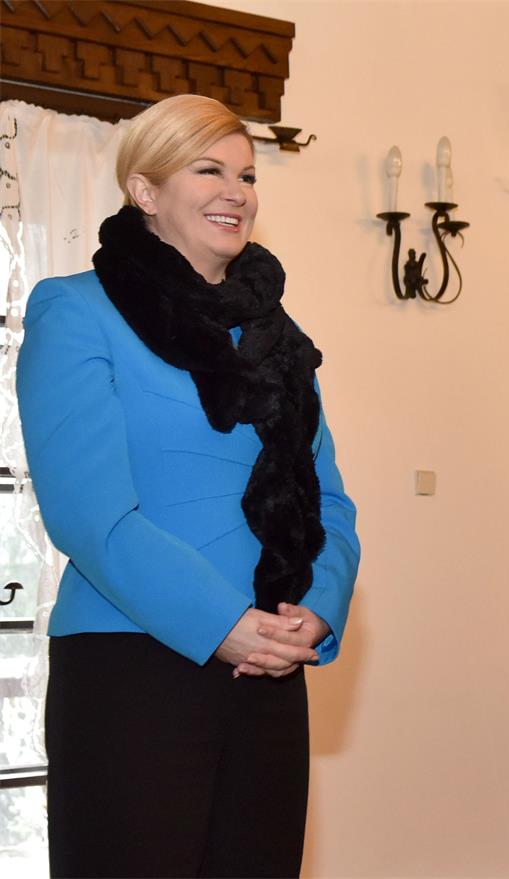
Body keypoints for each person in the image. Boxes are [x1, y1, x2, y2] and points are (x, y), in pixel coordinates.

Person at [16, 94, 360, 878]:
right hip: (131, 667)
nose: (237, 192)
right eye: (209, 170)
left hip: (269, 664)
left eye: (247, 175)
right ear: (145, 189)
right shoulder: (75, 310)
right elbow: (89, 515)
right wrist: (221, 621)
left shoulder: (281, 339)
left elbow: (330, 502)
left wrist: (316, 613)